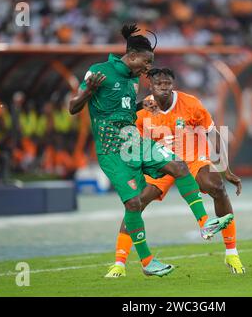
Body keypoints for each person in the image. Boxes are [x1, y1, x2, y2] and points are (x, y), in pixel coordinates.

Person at [69, 24, 233, 277]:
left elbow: (121, 110)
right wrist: (88, 92)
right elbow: (73, 107)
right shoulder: (98, 71)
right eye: (146, 62)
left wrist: (139, 106)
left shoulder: (133, 79)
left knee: (178, 166)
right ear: (132, 56)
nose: (148, 68)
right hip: (112, 149)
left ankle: (204, 222)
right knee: (134, 203)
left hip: (134, 141)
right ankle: (146, 262)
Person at [106, 68, 245, 278]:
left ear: (173, 84)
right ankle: (119, 263)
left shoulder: (191, 104)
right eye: (159, 83)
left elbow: (213, 134)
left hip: (192, 157)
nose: (164, 86)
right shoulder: (142, 112)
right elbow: (136, 144)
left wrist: (226, 169)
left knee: (217, 187)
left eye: (167, 83)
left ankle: (232, 252)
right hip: (160, 162)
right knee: (135, 202)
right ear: (150, 86)